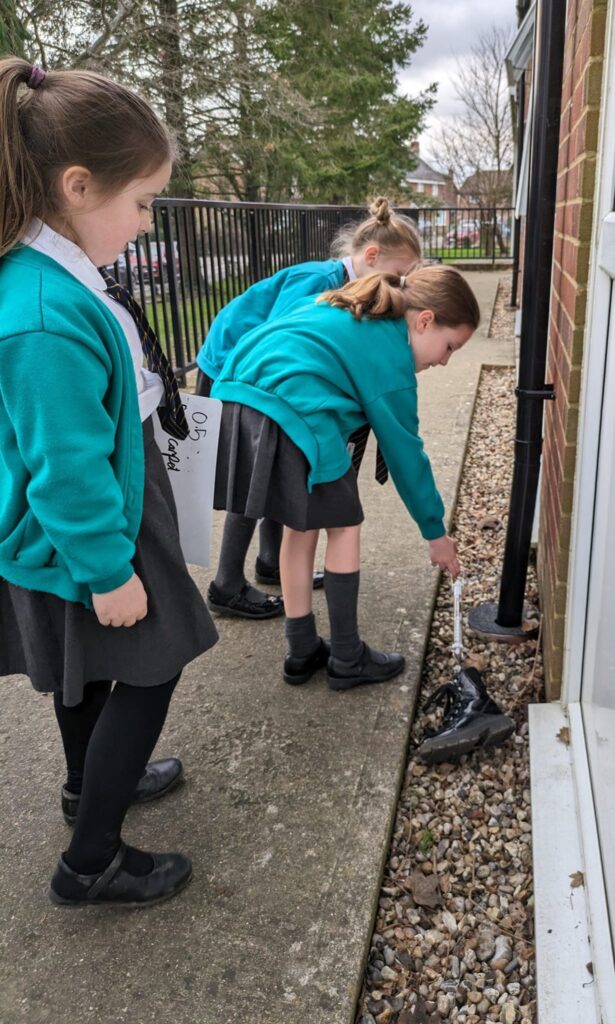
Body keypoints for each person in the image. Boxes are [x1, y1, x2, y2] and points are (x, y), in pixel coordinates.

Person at [0, 58, 218, 908]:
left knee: (84, 669)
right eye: (142, 202)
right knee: (152, 664)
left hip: (107, 505)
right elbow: (65, 468)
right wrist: (107, 570)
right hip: (90, 529)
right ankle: (90, 859)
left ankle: (87, 785)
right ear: (79, 185)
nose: (147, 221)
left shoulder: (54, 271)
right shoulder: (42, 315)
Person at [211, 265, 477, 690]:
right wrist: (435, 534)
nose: (445, 361)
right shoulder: (391, 356)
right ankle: (349, 657)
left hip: (235, 405)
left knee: (303, 526)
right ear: (424, 320)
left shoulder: (346, 306)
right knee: (345, 524)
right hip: (291, 410)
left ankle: (301, 651)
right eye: (449, 347)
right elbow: (406, 454)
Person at [195, 198, 422, 620]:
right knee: (252, 479)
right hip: (233, 371)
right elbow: (271, 343)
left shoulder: (346, 285)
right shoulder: (316, 281)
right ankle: (226, 585)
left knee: (278, 473)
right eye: (398, 275)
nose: (400, 287)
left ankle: (269, 562)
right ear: (371, 257)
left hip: (254, 376)